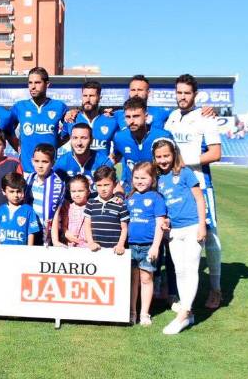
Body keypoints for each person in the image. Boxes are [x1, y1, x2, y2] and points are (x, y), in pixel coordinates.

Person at [165, 73, 223, 309]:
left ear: (195, 95)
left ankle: (216, 290)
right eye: (179, 92)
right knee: (175, 235)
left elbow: (215, 153)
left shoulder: (205, 118)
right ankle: (177, 290)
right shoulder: (172, 118)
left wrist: (184, 161)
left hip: (199, 183)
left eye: (187, 93)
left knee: (210, 236)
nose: (182, 97)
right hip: (175, 186)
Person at [153, 139, 207, 334]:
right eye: (159, 157)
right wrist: (166, 221)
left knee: (191, 268)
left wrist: (202, 225)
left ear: (174, 154)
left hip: (193, 227)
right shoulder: (159, 179)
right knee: (180, 271)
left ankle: (184, 312)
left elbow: (200, 199)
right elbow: (164, 207)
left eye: (166, 156)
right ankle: (189, 313)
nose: (163, 160)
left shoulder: (185, 173)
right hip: (174, 231)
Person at [125, 161, 167, 326]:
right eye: (136, 177)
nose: (139, 181)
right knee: (133, 280)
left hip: (148, 247)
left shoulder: (157, 198)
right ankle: (132, 311)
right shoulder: (130, 198)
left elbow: (159, 225)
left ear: (153, 179)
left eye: (144, 178)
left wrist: (156, 246)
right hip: (131, 246)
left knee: (146, 279)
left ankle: (144, 313)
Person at [11, 67, 68, 175]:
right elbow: (8, 130)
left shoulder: (59, 106)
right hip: (27, 171)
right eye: (30, 83)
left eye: (37, 82)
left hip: (51, 171)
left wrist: (56, 143)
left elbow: (69, 130)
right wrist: (17, 145)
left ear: (47, 84)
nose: (33, 86)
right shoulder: (20, 106)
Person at [113, 97, 173, 193]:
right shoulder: (119, 137)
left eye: (136, 116)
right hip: (132, 193)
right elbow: (113, 160)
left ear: (146, 116)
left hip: (161, 191)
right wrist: (116, 183)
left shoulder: (162, 136)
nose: (131, 121)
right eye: (128, 117)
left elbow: (176, 164)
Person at [62, 80, 119, 158]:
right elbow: (59, 140)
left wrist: (110, 163)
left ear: (99, 98)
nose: (87, 100)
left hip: (101, 169)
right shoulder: (71, 119)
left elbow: (121, 145)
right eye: (85, 96)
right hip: (78, 169)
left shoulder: (111, 121)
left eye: (92, 96)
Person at [25, 143, 65, 245]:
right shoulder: (28, 180)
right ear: (32, 161)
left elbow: (56, 213)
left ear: (53, 163)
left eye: (45, 161)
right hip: (28, 231)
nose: (40, 165)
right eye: (37, 161)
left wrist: (55, 240)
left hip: (46, 233)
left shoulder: (57, 184)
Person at [84, 166, 129, 252]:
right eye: (99, 185)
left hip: (114, 251)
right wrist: (90, 243)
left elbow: (124, 228)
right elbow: (87, 225)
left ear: (115, 185)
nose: (103, 189)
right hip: (95, 250)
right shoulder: (91, 203)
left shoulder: (121, 205)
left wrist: (120, 245)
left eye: (106, 185)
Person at [0, 172, 41, 246]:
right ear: (3, 191)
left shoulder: (29, 210)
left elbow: (31, 233)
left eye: (18, 191)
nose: (15, 195)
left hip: (21, 253)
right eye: (11, 191)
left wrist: (30, 250)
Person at [56, 175, 90, 247]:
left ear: (88, 191)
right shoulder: (68, 207)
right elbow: (64, 226)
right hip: (71, 246)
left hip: (88, 247)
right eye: (73, 191)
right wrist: (66, 233)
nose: (77, 194)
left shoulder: (92, 207)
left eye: (80, 191)